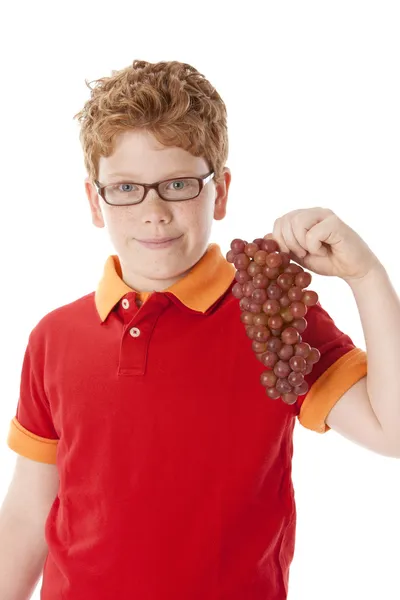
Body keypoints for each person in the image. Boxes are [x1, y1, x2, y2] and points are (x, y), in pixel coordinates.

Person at [1, 59, 399, 600]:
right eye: (125, 188)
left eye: (179, 184)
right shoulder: (54, 337)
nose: (155, 212)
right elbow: (28, 513)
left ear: (221, 191)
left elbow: (391, 430)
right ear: (95, 201)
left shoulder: (272, 317)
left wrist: (367, 277)